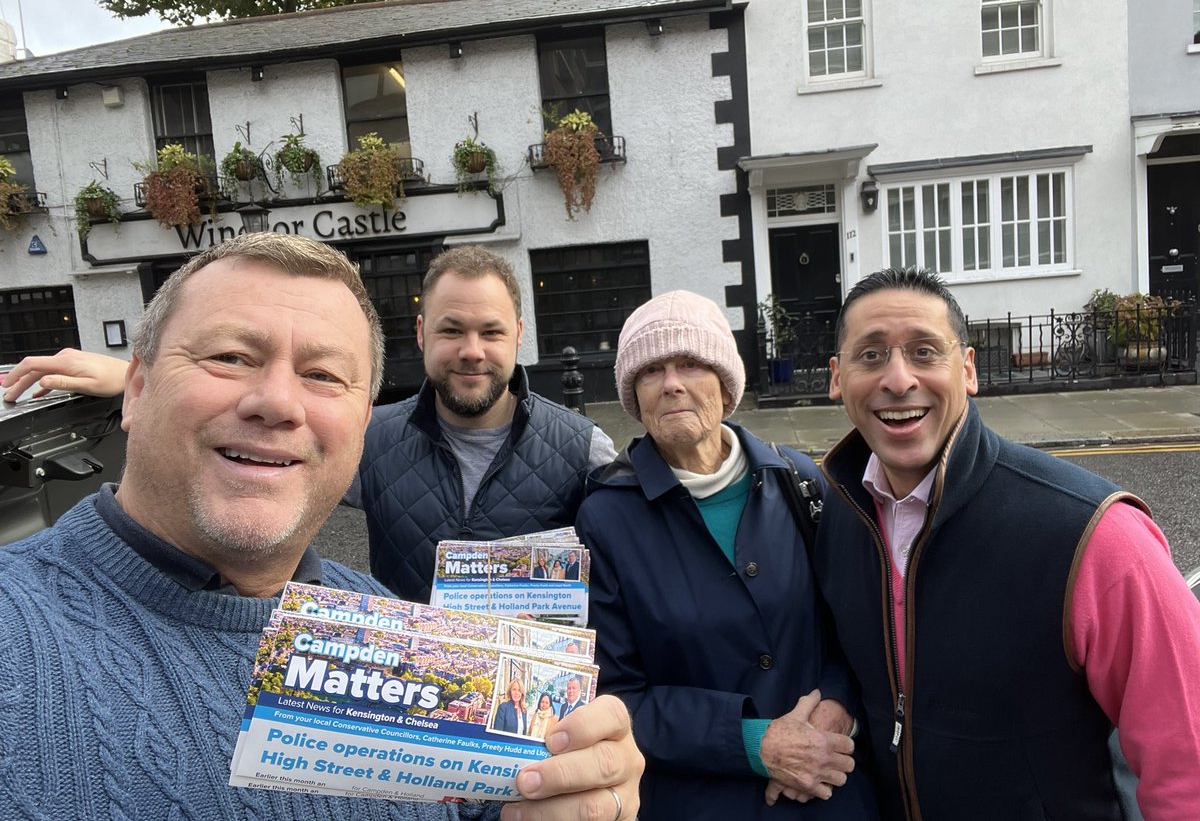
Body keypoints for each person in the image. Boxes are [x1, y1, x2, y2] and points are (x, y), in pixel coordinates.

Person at [0, 233, 643, 821]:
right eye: (229, 356)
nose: (279, 402)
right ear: (136, 389)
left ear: (362, 423)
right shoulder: (18, 632)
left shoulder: (381, 618)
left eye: (323, 375)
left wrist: (566, 793)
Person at [1, 245, 617, 604]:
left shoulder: (583, 446)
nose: (472, 350)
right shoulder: (367, 433)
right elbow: (265, 453)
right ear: (423, 334)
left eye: (491, 332)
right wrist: (139, 379)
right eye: (452, 329)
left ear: (519, 337)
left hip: (533, 697)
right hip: (404, 698)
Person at [817, 267, 1200, 820]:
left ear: (967, 368)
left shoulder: (1094, 533)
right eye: (870, 356)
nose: (898, 379)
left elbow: (1185, 756)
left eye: (925, 352)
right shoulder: (840, 515)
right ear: (837, 378)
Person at [575, 290, 879, 821]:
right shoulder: (604, 520)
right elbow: (615, 694)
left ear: (724, 382)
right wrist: (754, 742)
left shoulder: (799, 483)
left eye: (690, 363)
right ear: (635, 395)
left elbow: (852, 627)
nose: (671, 383)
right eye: (651, 371)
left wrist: (835, 709)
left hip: (829, 787)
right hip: (700, 800)